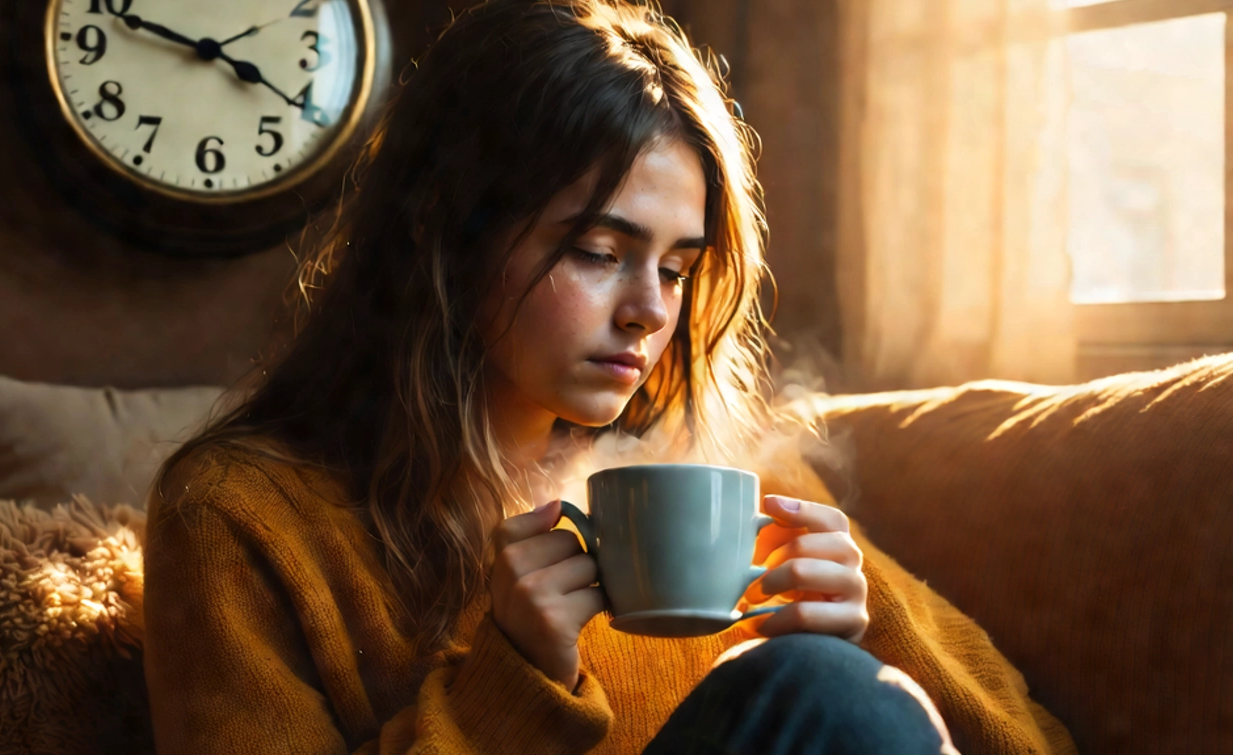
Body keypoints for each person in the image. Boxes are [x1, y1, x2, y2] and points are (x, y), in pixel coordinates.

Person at [141, 1, 1078, 753]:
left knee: (833, 683)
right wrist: (509, 681)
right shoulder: (239, 520)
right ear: (443, 229)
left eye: (675, 268)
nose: (651, 310)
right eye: (598, 250)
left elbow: (1012, 729)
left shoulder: (711, 474)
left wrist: (873, 632)